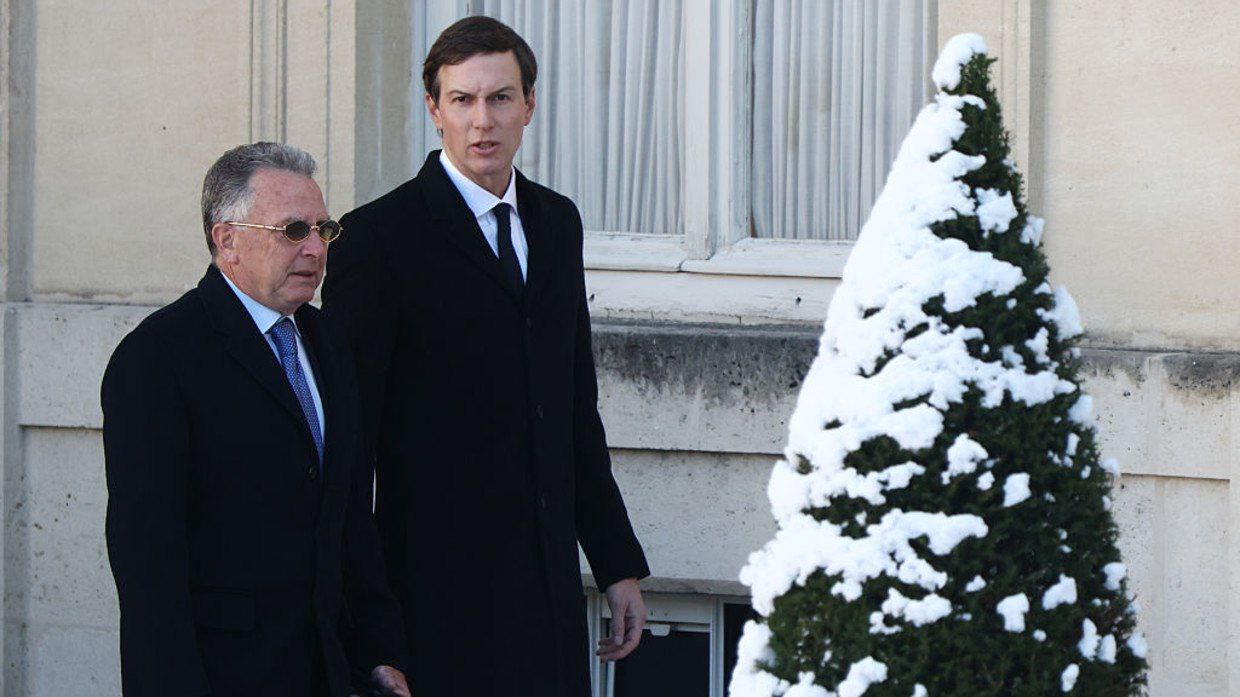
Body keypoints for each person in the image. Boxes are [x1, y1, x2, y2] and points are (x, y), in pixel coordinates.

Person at [322, 15, 650, 697]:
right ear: (433, 109)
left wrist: (615, 561)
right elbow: (349, 447)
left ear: (529, 104)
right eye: (462, 100)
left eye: (500, 97)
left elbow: (572, 406)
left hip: (547, 594)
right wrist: (368, 626)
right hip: (436, 600)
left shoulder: (556, 222)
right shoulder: (377, 239)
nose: (482, 121)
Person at [102, 142, 410, 697]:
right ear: (228, 240)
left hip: (329, 670)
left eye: (324, 229)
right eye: (293, 230)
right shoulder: (158, 358)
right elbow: (149, 564)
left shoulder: (327, 342)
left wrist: (380, 651)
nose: (315, 248)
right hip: (225, 673)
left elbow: (348, 517)